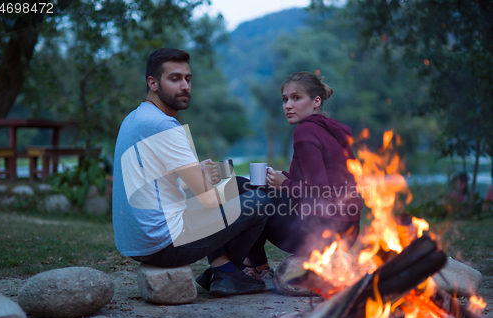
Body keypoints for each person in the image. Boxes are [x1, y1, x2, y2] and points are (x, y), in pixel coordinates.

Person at [112, 48, 272, 297]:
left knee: (237, 183)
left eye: (188, 78)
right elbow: (207, 199)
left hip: (136, 241)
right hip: (162, 244)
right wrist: (209, 184)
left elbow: (161, 183)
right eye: (174, 79)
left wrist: (207, 178)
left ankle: (222, 267)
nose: (185, 86)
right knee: (259, 201)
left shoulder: (135, 118)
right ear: (152, 83)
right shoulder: (164, 125)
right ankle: (227, 274)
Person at [240, 71, 363, 280]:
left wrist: (284, 183)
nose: (288, 105)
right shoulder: (331, 131)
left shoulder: (305, 131)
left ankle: (257, 266)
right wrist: (282, 179)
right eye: (285, 99)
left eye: (296, 98)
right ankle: (252, 264)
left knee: (244, 188)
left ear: (316, 101)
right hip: (347, 232)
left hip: (320, 235)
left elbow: (321, 192)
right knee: (257, 187)